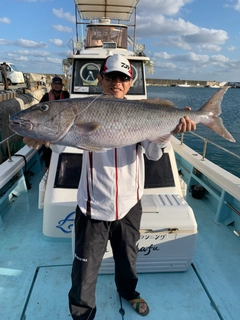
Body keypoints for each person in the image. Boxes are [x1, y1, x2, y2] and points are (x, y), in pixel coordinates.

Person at [23, 54, 196, 319]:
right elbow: (59, 143)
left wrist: (169, 132)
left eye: (122, 78)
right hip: (93, 206)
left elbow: (153, 153)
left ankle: (129, 292)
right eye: (111, 77)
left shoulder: (142, 111)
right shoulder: (83, 108)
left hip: (129, 205)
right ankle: (83, 312)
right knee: (84, 268)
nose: (117, 82)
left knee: (128, 261)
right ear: (101, 79)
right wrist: (40, 134)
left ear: (130, 82)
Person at [40, 76, 69, 168]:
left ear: (61, 85)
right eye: (55, 84)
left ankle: (62, 166)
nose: (57, 86)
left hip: (63, 124)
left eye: (58, 84)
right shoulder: (46, 96)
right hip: (49, 125)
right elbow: (40, 110)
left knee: (62, 145)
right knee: (47, 147)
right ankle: (48, 167)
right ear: (52, 85)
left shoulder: (66, 94)